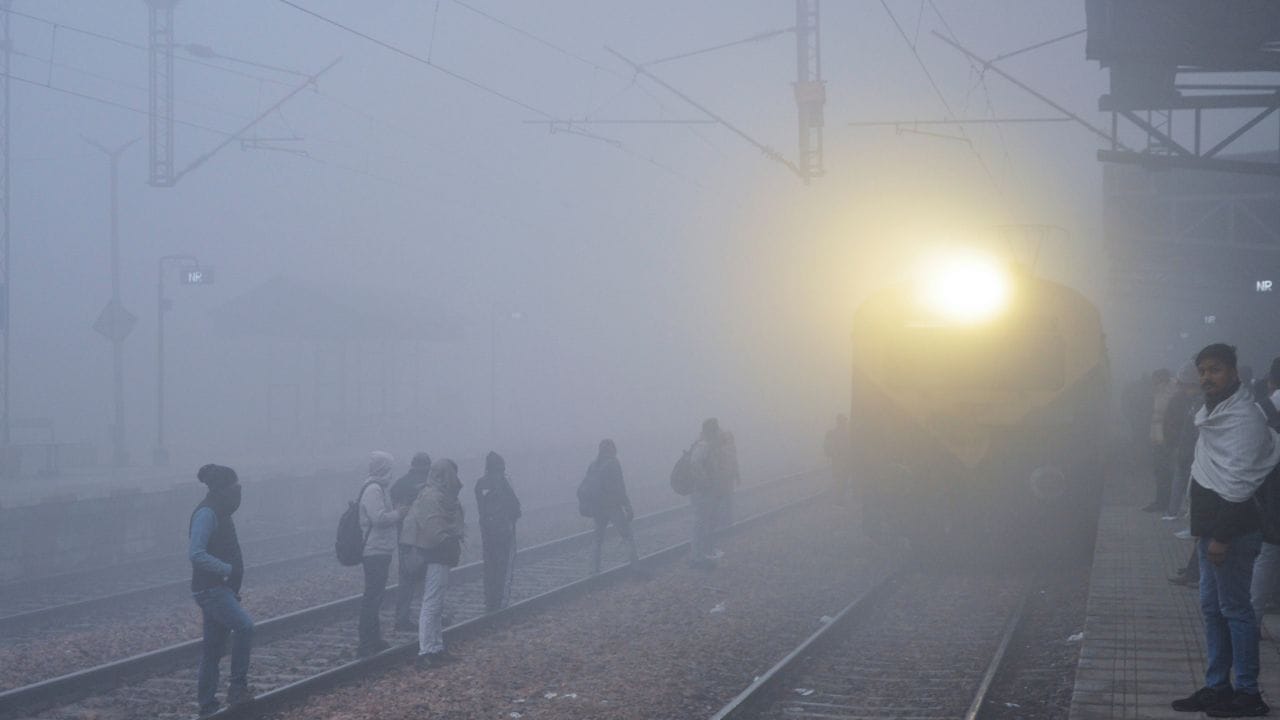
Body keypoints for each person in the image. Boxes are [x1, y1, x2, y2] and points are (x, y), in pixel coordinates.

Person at [1172, 344, 1280, 717]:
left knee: (1236, 610)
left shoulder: (1244, 418)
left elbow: (1240, 482)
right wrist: (1204, 532)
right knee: (1213, 609)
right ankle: (1218, 686)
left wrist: (1221, 536)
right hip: (1211, 531)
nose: (1207, 377)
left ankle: (1248, 694)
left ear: (1233, 372)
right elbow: (1209, 473)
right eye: (1202, 370)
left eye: (1215, 369)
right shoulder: (1213, 412)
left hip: (1232, 532)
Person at [189, 464, 254, 718]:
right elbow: (196, 553)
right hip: (211, 589)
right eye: (234, 487)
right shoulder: (207, 513)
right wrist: (227, 569)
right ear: (223, 489)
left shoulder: (221, 510)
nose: (238, 491)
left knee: (212, 650)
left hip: (218, 588)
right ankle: (237, 688)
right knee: (245, 627)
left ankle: (207, 705)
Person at [403, 458, 465, 667]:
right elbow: (433, 531)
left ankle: (436, 647)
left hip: (439, 555)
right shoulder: (432, 496)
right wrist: (449, 539)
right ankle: (426, 651)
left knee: (437, 604)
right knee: (431, 603)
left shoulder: (438, 495)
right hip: (433, 555)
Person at [356, 451, 406, 657]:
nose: (392, 473)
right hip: (374, 549)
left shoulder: (378, 488)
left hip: (380, 549)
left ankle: (373, 638)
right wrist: (398, 514)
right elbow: (378, 518)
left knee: (376, 595)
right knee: (373, 596)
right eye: (389, 468)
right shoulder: (374, 489)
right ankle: (366, 641)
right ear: (383, 468)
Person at [584, 439, 639, 574]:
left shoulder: (593, 465)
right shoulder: (613, 463)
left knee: (597, 540)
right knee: (627, 536)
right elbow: (620, 486)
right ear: (613, 450)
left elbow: (587, 486)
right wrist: (627, 505)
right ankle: (636, 567)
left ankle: (594, 570)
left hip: (597, 508)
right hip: (613, 507)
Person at [475, 451, 521, 612]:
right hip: (504, 532)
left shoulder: (480, 484)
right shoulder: (503, 483)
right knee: (503, 567)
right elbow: (515, 507)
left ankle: (490, 601)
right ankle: (499, 602)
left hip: (487, 532)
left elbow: (481, 508)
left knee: (489, 566)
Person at [391, 452, 432, 632]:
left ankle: (402, 617)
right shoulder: (429, 484)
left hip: (405, 538)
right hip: (425, 537)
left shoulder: (400, 484)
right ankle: (428, 616)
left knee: (406, 578)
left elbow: (394, 502)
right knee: (428, 579)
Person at [689, 418, 726, 567]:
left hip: (705, 491)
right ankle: (697, 557)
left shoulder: (706, 445)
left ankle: (704, 553)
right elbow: (695, 463)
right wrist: (706, 481)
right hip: (702, 492)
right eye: (717, 429)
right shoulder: (703, 446)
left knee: (706, 522)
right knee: (701, 523)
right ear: (712, 431)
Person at [1144, 368, 1176, 512]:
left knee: (1164, 472)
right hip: (1159, 438)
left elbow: (1163, 418)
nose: (1153, 383)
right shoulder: (1160, 392)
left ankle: (1164, 502)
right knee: (1161, 472)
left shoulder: (1167, 393)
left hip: (1165, 440)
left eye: (1155, 380)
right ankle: (1163, 501)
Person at [824, 414, 853, 505]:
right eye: (844, 421)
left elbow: (827, 448)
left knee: (839, 479)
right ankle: (840, 499)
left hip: (837, 461)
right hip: (845, 461)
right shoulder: (848, 434)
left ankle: (839, 498)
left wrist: (833, 454)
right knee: (843, 480)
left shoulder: (831, 433)